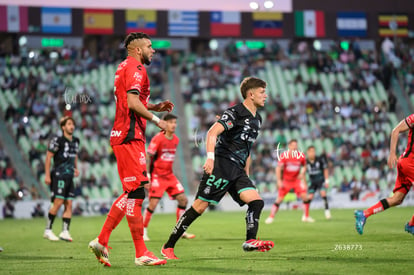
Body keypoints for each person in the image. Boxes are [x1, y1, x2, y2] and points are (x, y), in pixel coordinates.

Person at [160, 77, 274, 260]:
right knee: (199, 207)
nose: (265, 96)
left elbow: (248, 150)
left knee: (256, 201)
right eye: (262, 92)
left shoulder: (257, 119)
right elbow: (212, 133)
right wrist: (210, 159)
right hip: (221, 164)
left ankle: (250, 241)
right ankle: (168, 246)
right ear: (250, 94)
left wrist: (247, 176)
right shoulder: (235, 112)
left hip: (237, 169)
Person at [88, 32, 174, 267]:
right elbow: (133, 104)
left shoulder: (123, 66)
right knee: (136, 192)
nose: (152, 50)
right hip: (129, 136)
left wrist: (155, 107)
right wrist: (158, 122)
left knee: (133, 192)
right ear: (137, 49)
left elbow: (132, 101)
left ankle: (102, 240)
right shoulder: (137, 67)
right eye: (149, 46)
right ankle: (140, 253)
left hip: (125, 134)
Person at [355, 113, 414, 235]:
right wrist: (392, 153)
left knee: (397, 199)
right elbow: (395, 130)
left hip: (406, 163)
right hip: (410, 163)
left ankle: (364, 214)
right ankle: (411, 225)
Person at [143, 113, 195, 241]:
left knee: (183, 200)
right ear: (164, 123)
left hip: (169, 175)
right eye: (171, 122)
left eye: (175, 123)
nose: (173, 125)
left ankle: (180, 231)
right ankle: (143, 231)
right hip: (157, 176)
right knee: (153, 204)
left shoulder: (176, 140)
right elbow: (148, 156)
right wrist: (148, 175)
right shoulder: (158, 139)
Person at [43, 116, 79, 242]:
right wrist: (47, 175)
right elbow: (48, 157)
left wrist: (76, 168)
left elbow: (75, 156)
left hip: (70, 176)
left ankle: (65, 232)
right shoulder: (57, 141)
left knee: (69, 204)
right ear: (63, 127)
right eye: (69, 124)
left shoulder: (76, 141)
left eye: (73, 124)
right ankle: (48, 230)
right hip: (59, 175)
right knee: (58, 202)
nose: (72, 126)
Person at [265, 139, 312, 224]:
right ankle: (271, 217)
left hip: (296, 180)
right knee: (279, 199)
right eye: (293, 145)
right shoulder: (284, 156)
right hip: (286, 181)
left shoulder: (301, 156)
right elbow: (278, 168)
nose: (295, 147)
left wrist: (302, 173)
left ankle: (306, 216)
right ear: (289, 146)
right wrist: (279, 181)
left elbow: (304, 166)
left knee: (305, 197)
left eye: (296, 145)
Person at [305, 146, 331, 220]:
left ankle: (327, 210)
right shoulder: (305, 161)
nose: (313, 153)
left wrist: (327, 181)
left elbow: (325, 169)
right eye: (311, 151)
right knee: (310, 197)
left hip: (320, 180)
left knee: (323, 193)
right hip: (312, 182)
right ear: (308, 152)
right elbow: (303, 172)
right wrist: (304, 183)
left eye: (314, 151)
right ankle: (306, 214)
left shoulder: (320, 159)